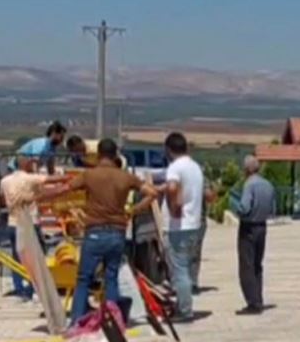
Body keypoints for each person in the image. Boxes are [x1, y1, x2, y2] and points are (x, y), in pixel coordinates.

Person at [60, 138, 158, 324]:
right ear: (115, 155)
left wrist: (41, 195)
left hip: (94, 232)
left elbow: (66, 189)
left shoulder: (89, 175)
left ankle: (77, 321)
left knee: (84, 279)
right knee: (111, 277)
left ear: (98, 154)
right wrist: (133, 210)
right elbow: (153, 193)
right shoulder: (126, 176)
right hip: (117, 233)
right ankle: (113, 321)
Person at [0, 155, 76, 302]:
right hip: (29, 223)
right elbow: (52, 179)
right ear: (25, 164)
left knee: (17, 257)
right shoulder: (29, 178)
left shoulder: (5, 181)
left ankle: (19, 288)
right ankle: (32, 288)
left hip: (12, 223)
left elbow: (2, 200)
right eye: (31, 163)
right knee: (35, 258)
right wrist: (71, 179)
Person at [162, 132, 206, 320]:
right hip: (194, 223)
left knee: (179, 270)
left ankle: (185, 310)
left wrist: (174, 208)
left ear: (168, 150)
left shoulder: (175, 167)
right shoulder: (195, 167)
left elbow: (173, 188)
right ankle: (183, 305)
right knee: (186, 267)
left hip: (180, 226)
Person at [233, 155, 277, 315]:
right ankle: (258, 298)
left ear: (246, 169)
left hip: (249, 227)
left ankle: (252, 302)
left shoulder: (249, 185)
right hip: (262, 226)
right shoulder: (268, 184)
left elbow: (244, 207)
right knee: (258, 264)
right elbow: (273, 209)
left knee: (247, 266)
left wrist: (235, 207)